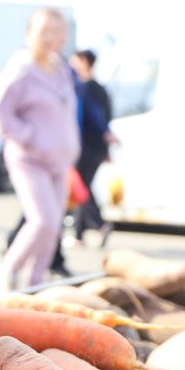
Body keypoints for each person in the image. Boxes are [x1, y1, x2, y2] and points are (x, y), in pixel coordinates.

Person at [0, 9, 80, 291]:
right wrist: (30, 137)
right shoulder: (22, 70)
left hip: (60, 161)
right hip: (30, 160)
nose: (53, 38)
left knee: (54, 228)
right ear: (30, 34)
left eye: (59, 32)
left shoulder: (61, 68)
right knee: (43, 221)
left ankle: (35, 284)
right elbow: (1, 115)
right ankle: (8, 270)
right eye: (46, 31)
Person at [69, 49, 118, 247]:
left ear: (84, 62)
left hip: (87, 147)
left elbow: (97, 119)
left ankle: (100, 224)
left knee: (80, 188)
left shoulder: (85, 88)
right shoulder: (101, 88)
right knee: (83, 186)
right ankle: (79, 235)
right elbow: (107, 118)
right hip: (98, 147)